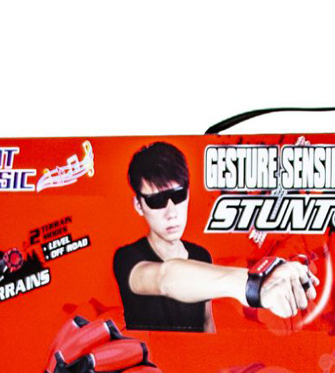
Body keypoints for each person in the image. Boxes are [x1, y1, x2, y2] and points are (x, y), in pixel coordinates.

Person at [113, 142, 317, 332]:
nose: (171, 212)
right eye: (156, 201)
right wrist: (252, 285)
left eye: (178, 195)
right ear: (138, 205)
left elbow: (206, 323)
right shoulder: (127, 258)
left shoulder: (200, 255)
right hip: (148, 358)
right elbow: (164, 278)